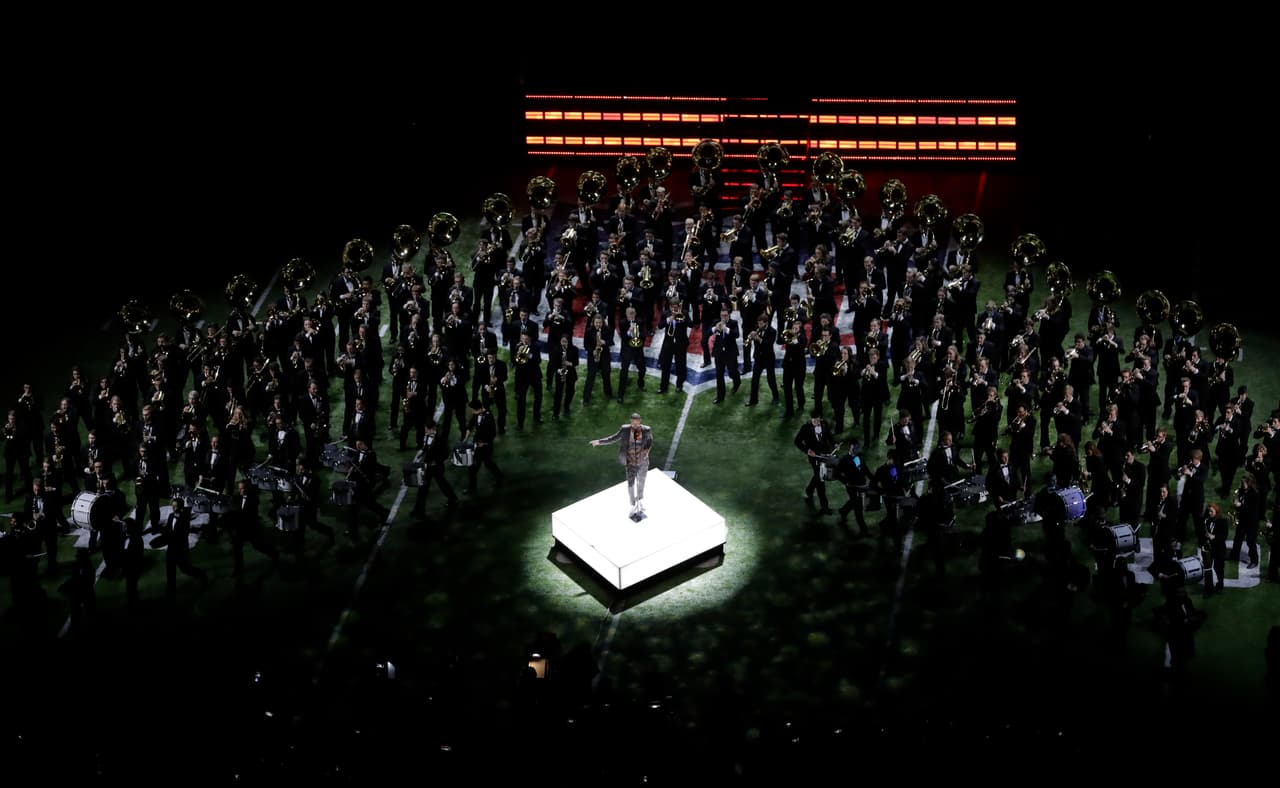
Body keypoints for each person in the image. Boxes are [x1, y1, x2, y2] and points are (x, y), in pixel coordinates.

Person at [590, 413, 653, 519]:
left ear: (640, 421)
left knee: (641, 481)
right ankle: (633, 505)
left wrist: (647, 451)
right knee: (631, 484)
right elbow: (613, 438)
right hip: (630, 462)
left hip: (642, 462)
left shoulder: (646, 430)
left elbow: (650, 440)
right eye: (633, 423)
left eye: (637, 423)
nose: (635, 425)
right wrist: (599, 442)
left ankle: (640, 500)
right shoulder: (625, 430)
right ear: (630, 422)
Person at [795, 409, 836, 515]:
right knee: (820, 480)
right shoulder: (805, 428)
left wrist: (834, 443)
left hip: (825, 455)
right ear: (811, 419)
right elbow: (797, 441)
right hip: (814, 457)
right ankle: (824, 507)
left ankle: (809, 490)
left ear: (820, 419)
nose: (816, 423)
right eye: (814, 421)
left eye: (817, 421)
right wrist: (808, 450)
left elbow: (829, 436)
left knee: (818, 476)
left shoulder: (824, 424)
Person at [464, 401, 503, 495]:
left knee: (487, 463)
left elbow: (492, 433)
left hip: (486, 446)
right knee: (473, 467)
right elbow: (470, 426)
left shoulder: (489, 417)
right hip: (478, 445)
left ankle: (499, 477)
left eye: (473, 410)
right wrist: (465, 439)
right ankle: (472, 487)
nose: (472, 412)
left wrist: (485, 443)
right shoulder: (476, 415)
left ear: (479, 409)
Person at [833, 441, 871, 537]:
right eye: (853, 448)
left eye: (857, 448)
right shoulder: (844, 460)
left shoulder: (860, 457)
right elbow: (836, 474)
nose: (855, 450)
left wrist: (874, 480)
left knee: (854, 503)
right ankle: (864, 530)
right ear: (850, 448)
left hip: (861, 485)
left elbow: (866, 470)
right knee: (858, 507)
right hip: (852, 487)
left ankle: (843, 511)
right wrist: (845, 482)